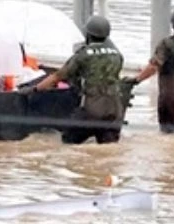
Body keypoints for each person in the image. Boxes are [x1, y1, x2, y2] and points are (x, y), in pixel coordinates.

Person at [20, 15, 125, 144]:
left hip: (91, 110)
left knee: (68, 142)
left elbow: (57, 77)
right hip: (114, 111)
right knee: (108, 150)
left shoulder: (83, 55)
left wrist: (34, 89)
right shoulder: (117, 55)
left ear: (88, 35)